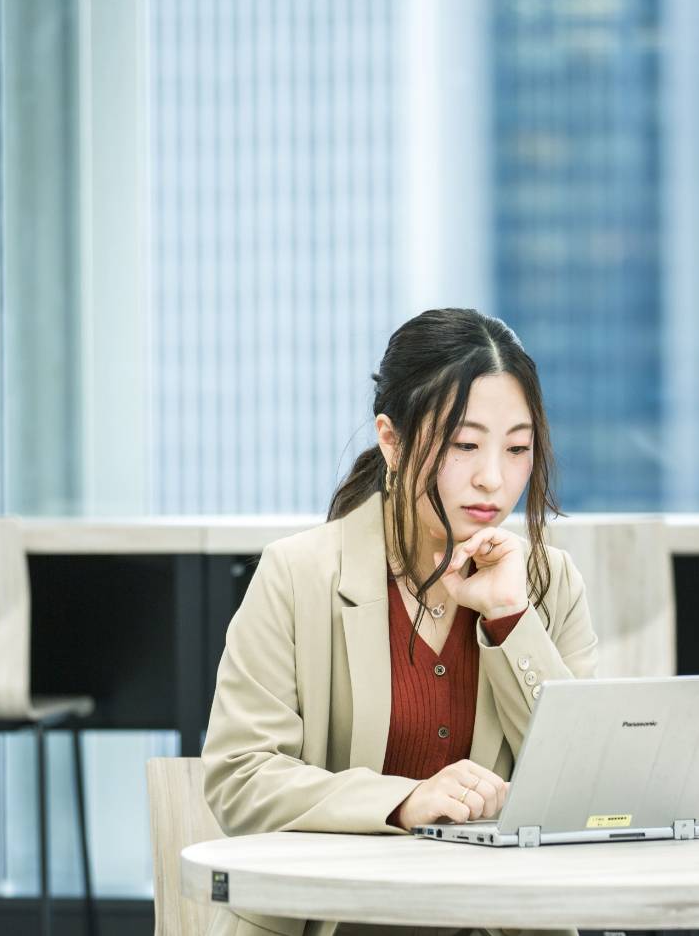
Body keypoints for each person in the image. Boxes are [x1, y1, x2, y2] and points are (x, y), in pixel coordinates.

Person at [202, 309, 598, 936]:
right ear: (392, 439)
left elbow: (587, 788)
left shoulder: (550, 585)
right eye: (465, 445)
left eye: (517, 449)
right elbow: (240, 776)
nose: (493, 478)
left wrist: (509, 618)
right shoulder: (297, 574)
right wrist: (403, 800)